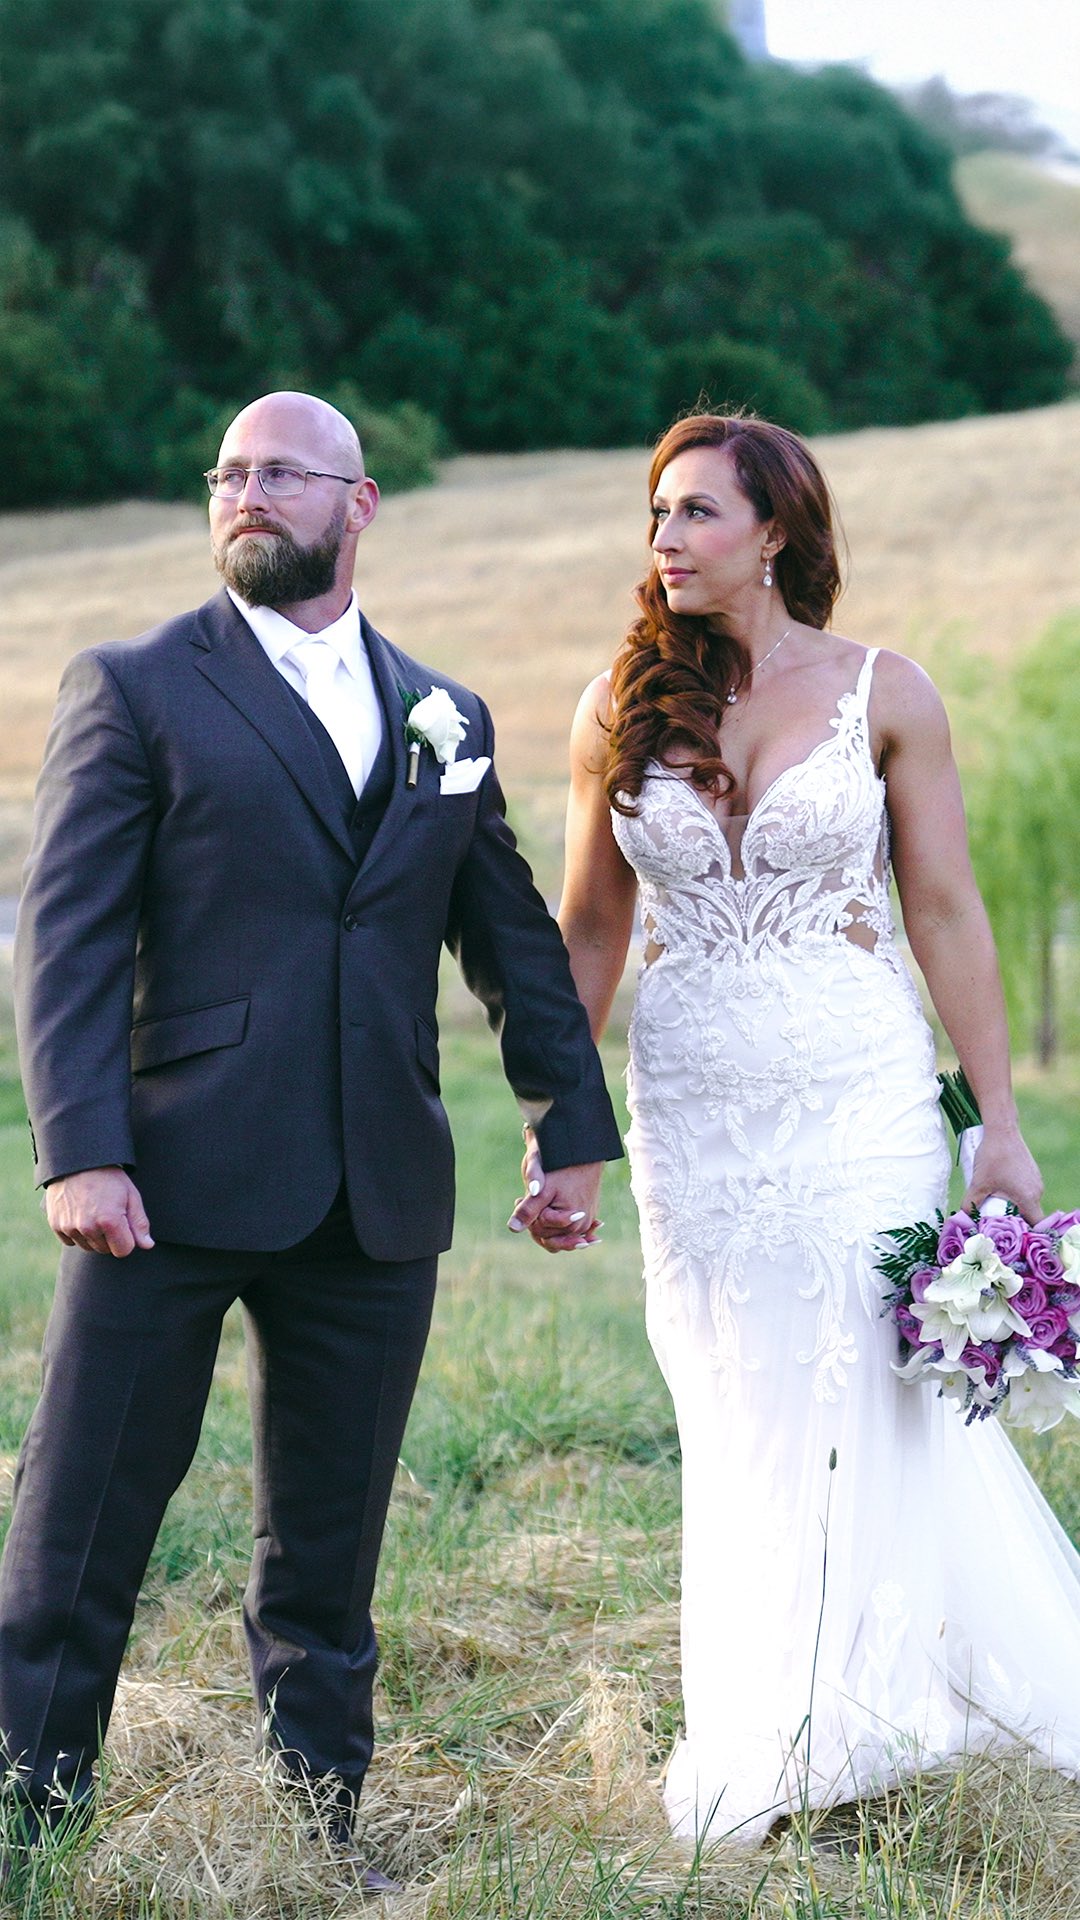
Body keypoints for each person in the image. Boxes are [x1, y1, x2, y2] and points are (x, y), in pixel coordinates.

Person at [0, 391, 621, 1885]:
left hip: (375, 1190)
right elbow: (66, 938)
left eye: (280, 472)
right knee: (82, 1520)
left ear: (361, 503)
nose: (245, 493)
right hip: (167, 1175)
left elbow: (513, 942)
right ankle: (27, 1821)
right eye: (226, 471)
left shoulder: (445, 716)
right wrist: (79, 1146)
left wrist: (569, 1126)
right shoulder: (139, 686)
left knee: (328, 1550)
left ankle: (316, 1828)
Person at [533, 411, 1080, 1842]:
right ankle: (774, 1714)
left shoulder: (885, 693)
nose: (668, 540)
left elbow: (944, 909)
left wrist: (1000, 1122)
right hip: (696, 1107)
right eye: (657, 514)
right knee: (735, 1397)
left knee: (865, 1387)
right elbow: (592, 924)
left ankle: (889, 1700)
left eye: (700, 513)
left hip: (856, 1090)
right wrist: (560, 1118)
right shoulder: (617, 706)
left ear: (776, 533)